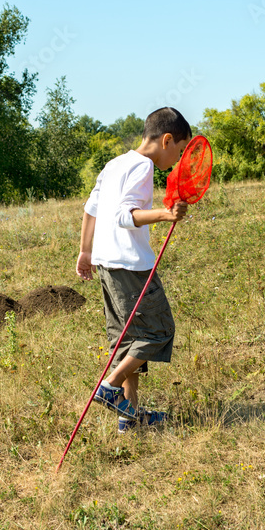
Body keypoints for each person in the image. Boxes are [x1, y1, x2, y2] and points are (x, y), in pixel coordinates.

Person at [76, 107, 191, 432]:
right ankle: (110, 388)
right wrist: (165, 214)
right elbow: (126, 216)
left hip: (106, 263)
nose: (177, 159)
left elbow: (91, 208)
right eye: (179, 150)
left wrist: (86, 251)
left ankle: (130, 419)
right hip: (130, 265)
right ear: (166, 140)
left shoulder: (114, 164)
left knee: (127, 343)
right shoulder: (143, 166)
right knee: (158, 332)